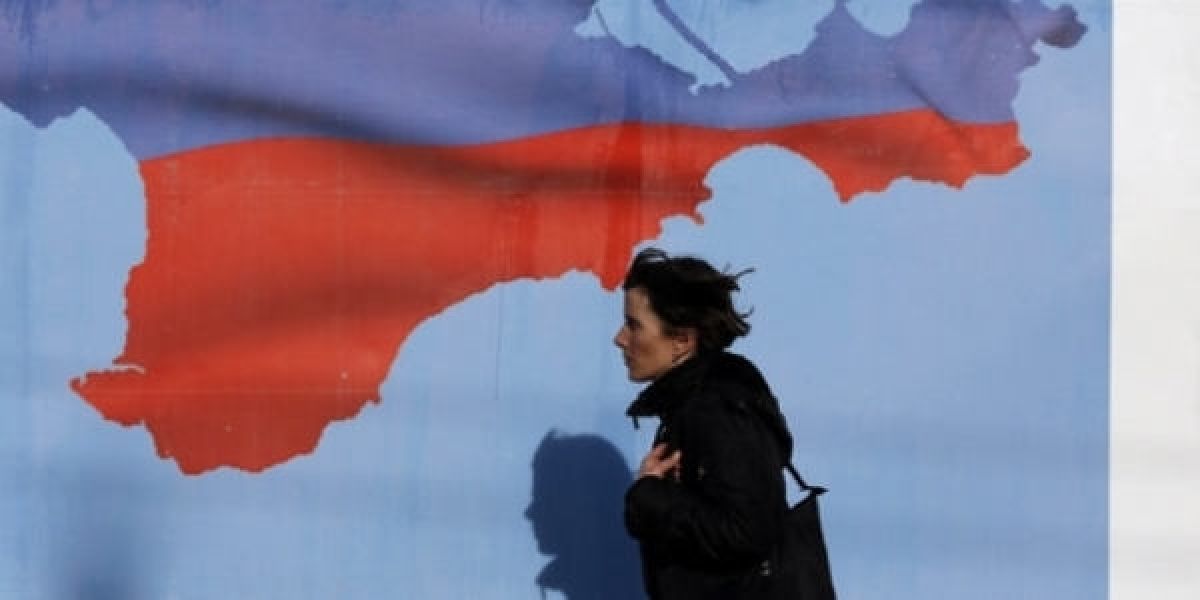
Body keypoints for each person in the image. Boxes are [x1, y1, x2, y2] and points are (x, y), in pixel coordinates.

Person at [615, 247, 796, 600]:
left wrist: (649, 497)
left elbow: (746, 531)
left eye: (634, 325)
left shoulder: (717, 408)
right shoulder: (691, 402)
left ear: (682, 341)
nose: (620, 338)